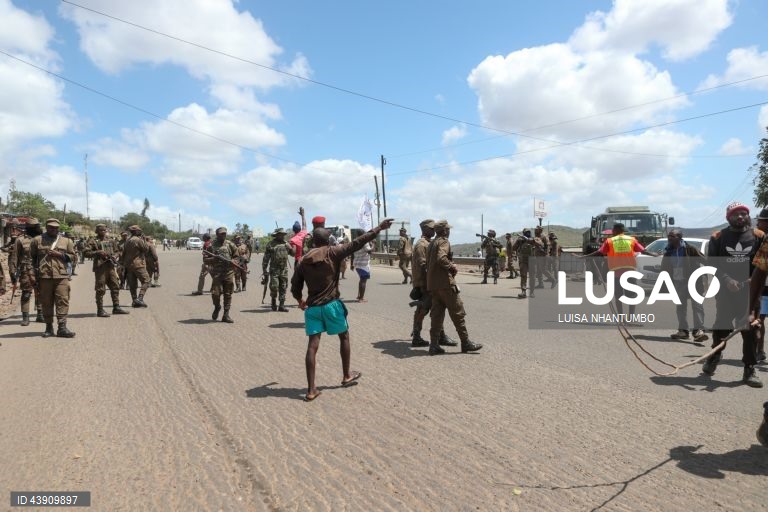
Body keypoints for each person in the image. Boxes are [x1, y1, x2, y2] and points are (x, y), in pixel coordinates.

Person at [291, 218, 394, 401]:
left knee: (312, 346)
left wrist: (300, 300)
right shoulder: (334, 252)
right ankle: (346, 375)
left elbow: (295, 285)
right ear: (328, 240)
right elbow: (359, 242)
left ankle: (311, 390)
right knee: (344, 336)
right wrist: (379, 227)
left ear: (313, 242)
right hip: (332, 306)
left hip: (313, 308)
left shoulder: (303, 261)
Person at [707, 202, 762, 387]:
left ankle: (749, 369)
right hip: (725, 292)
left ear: (748, 216)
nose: (740, 217)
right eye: (735, 214)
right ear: (728, 217)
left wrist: (750, 281)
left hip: (750, 293)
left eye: (743, 214)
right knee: (721, 328)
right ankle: (714, 357)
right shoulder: (718, 237)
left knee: (751, 329)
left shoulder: (759, 236)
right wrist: (727, 280)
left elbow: (762, 264)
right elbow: (713, 264)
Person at [426, 220, 483, 355]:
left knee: (437, 316)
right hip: (445, 284)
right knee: (458, 313)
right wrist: (452, 266)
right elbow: (441, 258)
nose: (449, 232)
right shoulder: (444, 241)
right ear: (445, 231)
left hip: (433, 285)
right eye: (448, 230)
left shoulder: (432, 243)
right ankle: (466, 342)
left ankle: (434, 345)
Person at [586, 223, 657, 315]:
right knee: (632, 296)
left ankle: (621, 318)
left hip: (617, 273)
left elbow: (599, 252)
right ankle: (630, 318)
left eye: (613, 230)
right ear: (623, 230)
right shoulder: (631, 240)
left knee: (618, 296)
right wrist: (654, 255)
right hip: (630, 272)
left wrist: (585, 256)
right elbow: (643, 251)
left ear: (615, 230)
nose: (612, 231)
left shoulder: (610, 241)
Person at [410, 219, 458, 348]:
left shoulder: (428, 243)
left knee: (437, 309)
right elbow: (422, 265)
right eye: (431, 228)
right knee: (424, 309)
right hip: (425, 283)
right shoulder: (422, 244)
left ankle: (439, 337)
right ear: (425, 229)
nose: (433, 230)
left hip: (429, 282)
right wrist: (425, 284)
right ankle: (417, 337)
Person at [30, 218, 76, 338]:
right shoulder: (37, 240)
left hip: (61, 276)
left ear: (58, 228)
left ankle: (62, 328)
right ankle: (49, 328)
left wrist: (60, 254)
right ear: (46, 227)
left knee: (63, 300)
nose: (53, 229)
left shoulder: (66, 241)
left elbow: (73, 257)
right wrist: (31, 275)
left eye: (56, 227)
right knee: (46, 302)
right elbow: (30, 259)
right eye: (51, 227)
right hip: (44, 276)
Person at [661, 229, 707, 343]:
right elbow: (664, 268)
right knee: (680, 308)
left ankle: (698, 331)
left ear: (679, 238)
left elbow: (706, 260)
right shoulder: (668, 251)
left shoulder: (690, 249)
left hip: (693, 282)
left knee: (697, 306)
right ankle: (683, 331)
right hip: (678, 283)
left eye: (672, 236)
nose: (669, 238)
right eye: (669, 236)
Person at [83, 223, 129, 317]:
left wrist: (115, 256)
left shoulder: (111, 241)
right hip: (100, 268)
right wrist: (98, 252)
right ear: (97, 231)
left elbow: (118, 251)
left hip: (111, 266)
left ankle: (116, 307)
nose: (103, 232)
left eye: (104, 230)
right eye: (101, 230)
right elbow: (85, 253)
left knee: (115, 286)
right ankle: (100, 310)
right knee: (100, 289)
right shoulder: (93, 241)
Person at [10, 217, 43, 325]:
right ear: (29, 228)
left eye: (38, 226)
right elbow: (14, 257)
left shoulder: (43, 239)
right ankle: (25, 317)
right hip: (25, 271)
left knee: (41, 293)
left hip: (42, 270)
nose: (37, 228)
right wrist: (12, 272)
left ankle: (40, 314)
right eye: (35, 227)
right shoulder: (20, 240)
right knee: (26, 294)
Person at [203, 227, 238, 323]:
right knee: (215, 294)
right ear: (217, 235)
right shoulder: (211, 245)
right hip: (217, 273)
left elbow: (237, 256)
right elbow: (205, 259)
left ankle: (226, 315)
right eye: (221, 234)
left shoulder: (230, 244)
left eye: (225, 233)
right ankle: (217, 307)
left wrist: (234, 261)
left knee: (228, 294)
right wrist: (213, 259)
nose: (223, 235)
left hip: (228, 272)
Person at [263, 227, 295, 311]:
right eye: (280, 234)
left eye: (283, 234)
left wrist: (294, 246)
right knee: (274, 287)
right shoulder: (271, 244)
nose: (282, 236)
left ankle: (281, 305)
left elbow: (293, 254)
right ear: (276, 235)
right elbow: (266, 258)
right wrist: (264, 270)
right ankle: (273, 301)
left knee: (283, 287)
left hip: (284, 269)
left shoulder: (286, 244)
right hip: (274, 269)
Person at [121, 225, 150, 307]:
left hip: (129, 266)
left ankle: (134, 301)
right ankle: (140, 298)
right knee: (146, 280)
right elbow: (146, 249)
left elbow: (124, 254)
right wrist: (144, 240)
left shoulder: (127, 241)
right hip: (138, 265)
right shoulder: (138, 240)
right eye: (139, 230)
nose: (140, 232)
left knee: (132, 285)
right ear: (135, 231)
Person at [753, 208, 768, 362]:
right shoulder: (765, 241)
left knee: (759, 320)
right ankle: (760, 351)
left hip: (764, 289)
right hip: (765, 290)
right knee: (760, 320)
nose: (757, 223)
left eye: (761, 220)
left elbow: (759, 273)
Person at [510, 229, 538, 298]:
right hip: (523, 260)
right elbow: (513, 248)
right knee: (523, 276)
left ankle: (532, 292)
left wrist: (530, 240)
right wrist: (519, 241)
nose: (527, 233)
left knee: (532, 277)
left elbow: (540, 244)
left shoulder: (534, 239)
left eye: (528, 232)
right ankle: (523, 292)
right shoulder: (520, 240)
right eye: (526, 233)